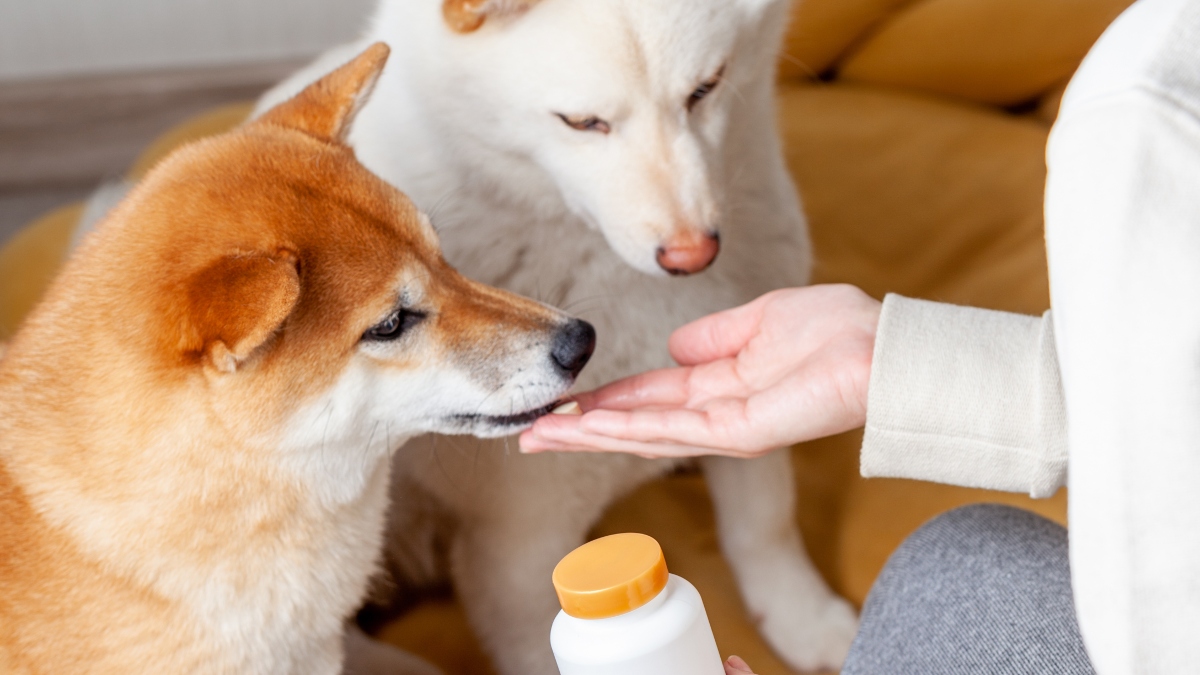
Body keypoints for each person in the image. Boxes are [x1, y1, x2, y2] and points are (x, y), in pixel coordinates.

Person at [521, 0, 1200, 672]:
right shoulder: (1144, 101)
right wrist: (899, 363)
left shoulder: (1145, 116)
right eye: (588, 121)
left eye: (703, 92)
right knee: (958, 565)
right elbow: (1167, 405)